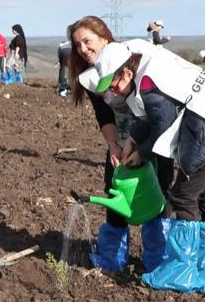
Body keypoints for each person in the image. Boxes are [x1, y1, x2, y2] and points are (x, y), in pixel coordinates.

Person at [92, 41, 205, 293]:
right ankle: (203, 267)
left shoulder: (147, 83)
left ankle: (182, 270)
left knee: (184, 196)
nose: (113, 92)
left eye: (114, 84)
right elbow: (149, 117)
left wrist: (141, 154)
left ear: (127, 73)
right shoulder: (150, 67)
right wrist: (132, 139)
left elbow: (162, 123)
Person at [67, 15, 172, 274]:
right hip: (123, 137)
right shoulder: (89, 77)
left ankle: (159, 258)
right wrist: (113, 145)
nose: (83, 49)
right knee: (115, 190)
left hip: (154, 133)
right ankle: (112, 257)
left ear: (104, 37)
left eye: (87, 41)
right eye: (77, 45)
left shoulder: (131, 60)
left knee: (158, 191)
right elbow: (104, 114)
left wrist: (144, 145)